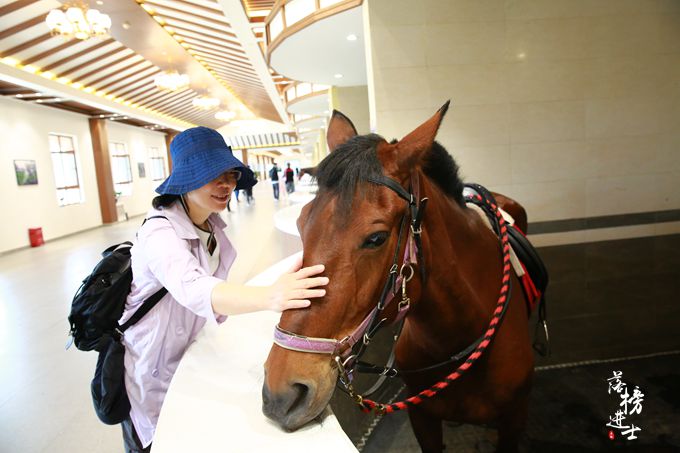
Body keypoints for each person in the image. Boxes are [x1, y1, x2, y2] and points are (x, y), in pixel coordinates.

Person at [119, 127, 329, 452]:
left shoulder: (210, 224)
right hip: (153, 369)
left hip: (188, 356)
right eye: (213, 176)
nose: (227, 185)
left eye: (231, 174)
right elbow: (194, 287)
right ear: (185, 180)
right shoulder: (159, 232)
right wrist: (270, 295)